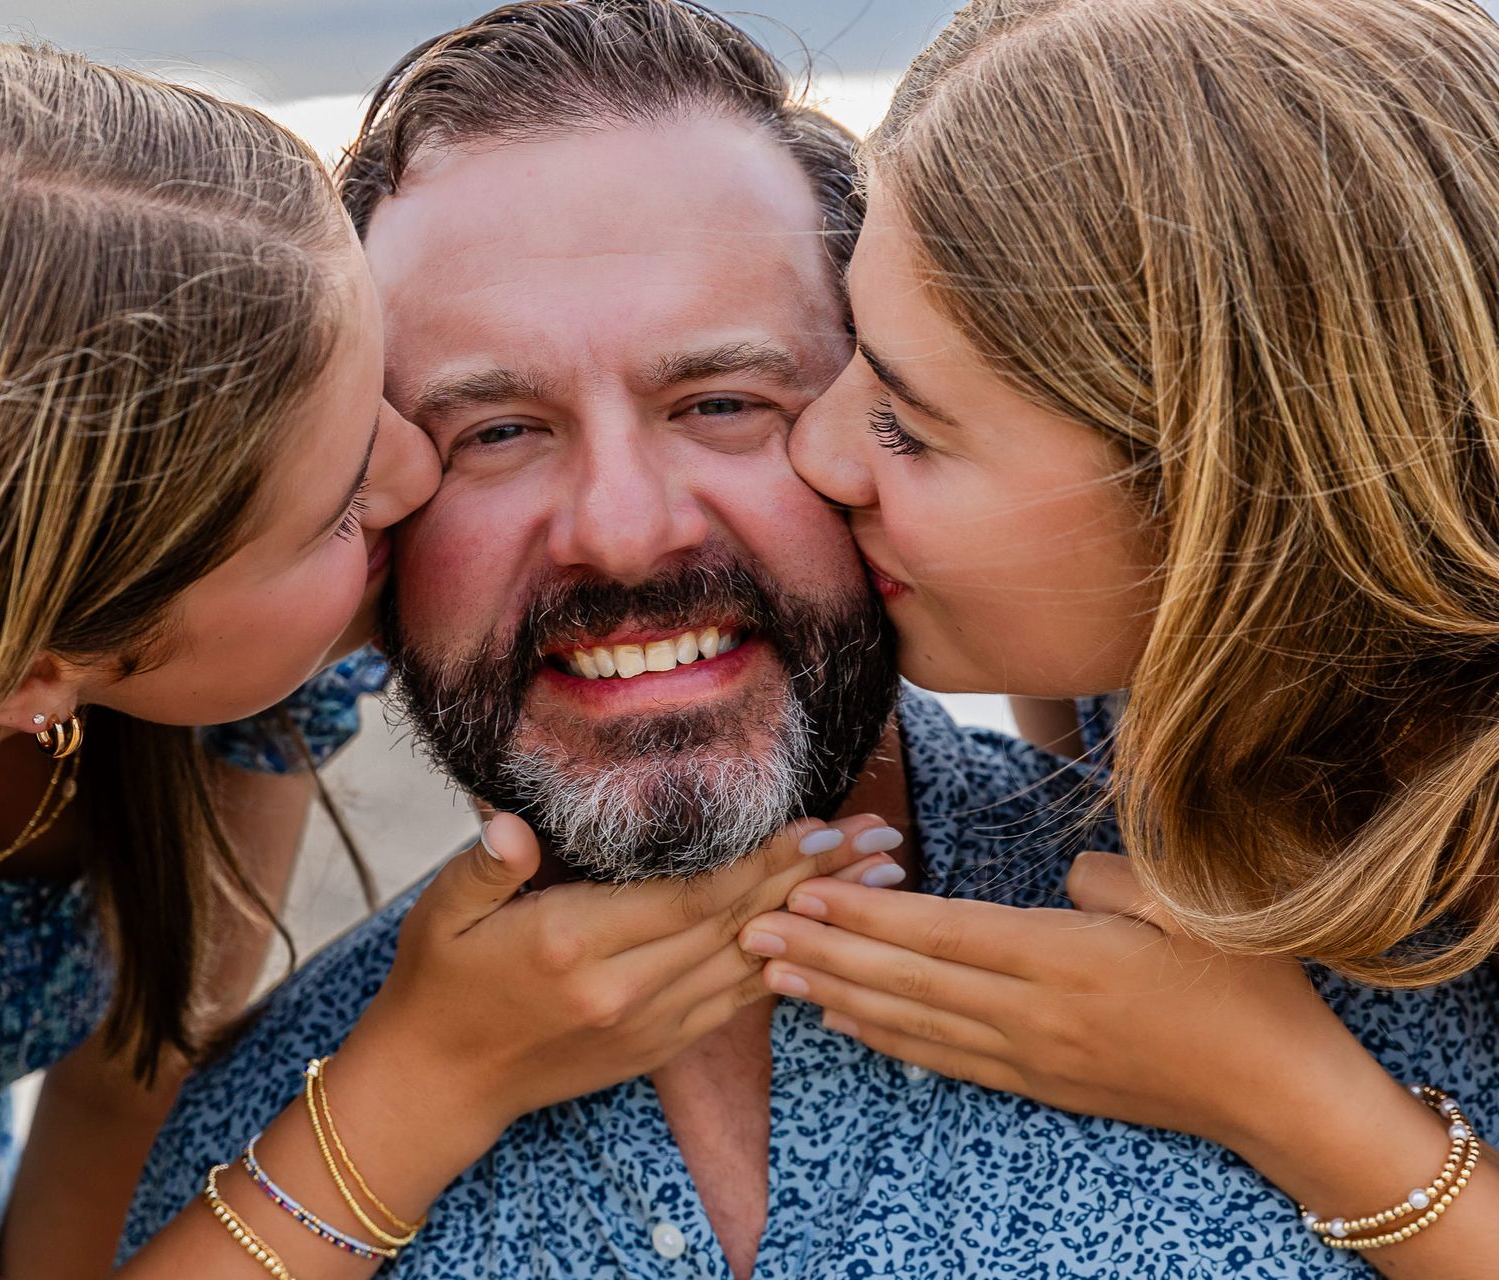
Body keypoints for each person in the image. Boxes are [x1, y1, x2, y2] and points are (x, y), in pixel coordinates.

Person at [120, 3, 1499, 1276]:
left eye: (726, 400)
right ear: (366, 516)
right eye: (497, 431)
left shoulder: (1366, 926)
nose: (623, 530)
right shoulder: (267, 1169)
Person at [0, 38, 869, 1280]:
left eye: (380, 396)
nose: (417, 472)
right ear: (29, 671)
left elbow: (123, 1079)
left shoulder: (238, 677)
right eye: (337, 511)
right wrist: (429, 1077)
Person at [761, 0, 1499, 1276]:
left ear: (1235, 494)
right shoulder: (1138, 673)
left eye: (907, 425)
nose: (815, 451)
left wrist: (1292, 1097)